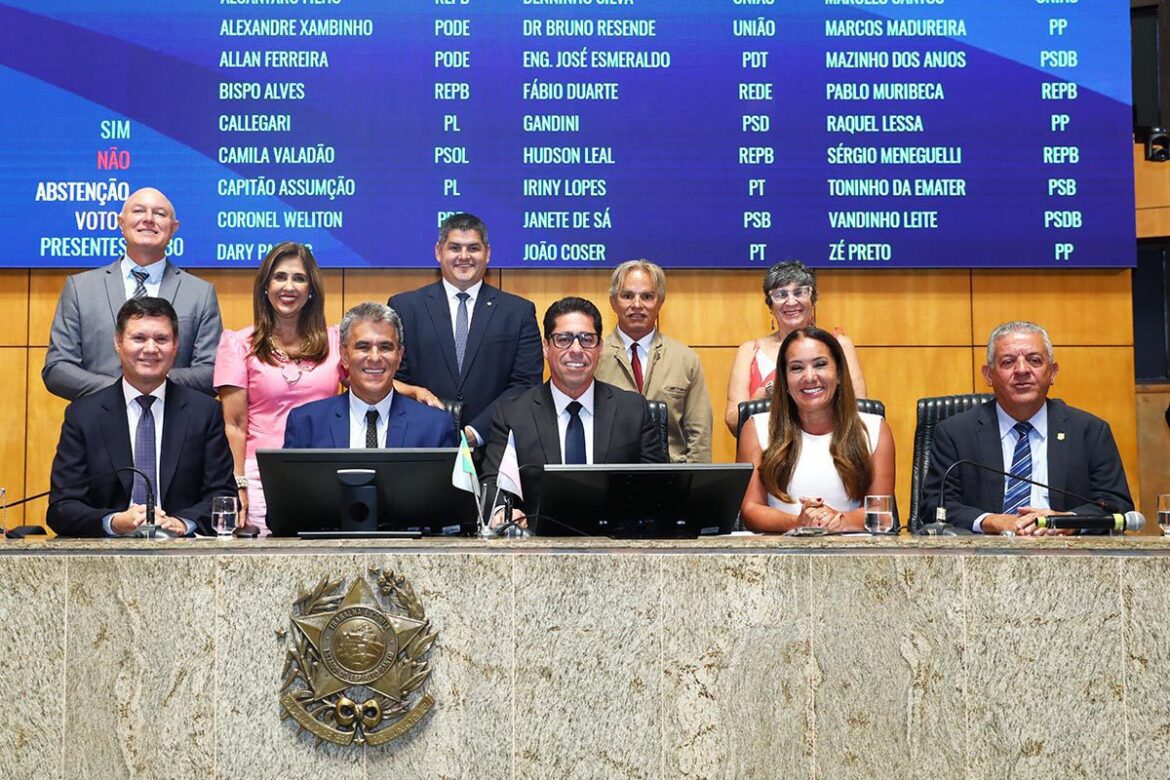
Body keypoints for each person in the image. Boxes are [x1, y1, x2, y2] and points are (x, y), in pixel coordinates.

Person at [921, 321, 1134, 535]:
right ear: (988, 375)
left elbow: (1117, 506)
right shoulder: (955, 433)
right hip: (984, 556)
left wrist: (1067, 522)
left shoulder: (1090, 432)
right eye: (1008, 362)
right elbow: (934, 506)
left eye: (1034, 360)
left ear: (1052, 372)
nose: (1022, 370)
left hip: (1068, 556)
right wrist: (992, 521)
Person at [47, 297, 235, 537]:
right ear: (117, 342)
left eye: (161, 339)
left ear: (175, 345)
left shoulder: (204, 412)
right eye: (139, 338)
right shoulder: (84, 415)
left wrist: (183, 523)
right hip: (105, 559)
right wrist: (112, 521)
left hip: (184, 554)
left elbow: (223, 497)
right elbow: (62, 507)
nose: (150, 349)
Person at [480, 297, 666, 517]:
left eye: (587, 339)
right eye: (564, 339)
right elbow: (492, 483)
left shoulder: (633, 410)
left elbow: (660, 488)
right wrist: (503, 511)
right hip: (537, 543)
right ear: (546, 347)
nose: (576, 349)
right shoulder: (513, 413)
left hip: (615, 542)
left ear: (600, 348)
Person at [43, 187, 222, 400]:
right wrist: (120, 391)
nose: (148, 219)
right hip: (97, 423)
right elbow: (57, 368)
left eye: (160, 214)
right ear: (121, 223)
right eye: (138, 211)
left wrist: (155, 385)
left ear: (174, 228)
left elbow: (212, 372)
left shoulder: (200, 294)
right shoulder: (80, 289)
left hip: (176, 426)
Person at [213, 243, 344, 533]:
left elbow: (368, 380)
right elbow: (234, 424)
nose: (289, 286)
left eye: (299, 278)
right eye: (280, 277)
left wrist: (412, 391)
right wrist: (239, 484)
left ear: (311, 289)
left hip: (323, 473)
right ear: (265, 286)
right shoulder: (238, 344)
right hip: (261, 476)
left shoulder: (335, 341)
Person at [388, 212, 542, 449]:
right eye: (455, 248)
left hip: (494, 447)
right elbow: (394, 378)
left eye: (473, 248)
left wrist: (476, 431)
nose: (464, 256)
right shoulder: (405, 308)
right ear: (439, 252)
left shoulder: (518, 312)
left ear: (487, 253)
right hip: (421, 444)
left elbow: (525, 384)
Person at [737, 327, 894, 533]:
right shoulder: (756, 428)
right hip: (777, 554)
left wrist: (837, 520)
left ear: (838, 374)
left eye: (820, 365)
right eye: (796, 368)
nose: (809, 377)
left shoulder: (875, 429)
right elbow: (751, 510)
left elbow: (880, 513)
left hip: (852, 555)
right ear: (784, 380)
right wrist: (799, 523)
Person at [284, 303, 456, 449]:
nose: (375, 358)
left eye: (385, 347)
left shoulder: (435, 426)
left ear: (399, 356)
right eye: (363, 347)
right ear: (344, 356)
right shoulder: (306, 424)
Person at [724, 260, 866, 435]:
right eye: (781, 295)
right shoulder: (749, 351)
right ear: (770, 306)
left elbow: (862, 412)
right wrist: (766, 393)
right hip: (766, 452)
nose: (791, 302)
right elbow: (733, 422)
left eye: (799, 292)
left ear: (812, 300)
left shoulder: (839, 345)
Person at [594, 260, 713, 463]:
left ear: (660, 302)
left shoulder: (685, 359)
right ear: (613, 301)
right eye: (627, 296)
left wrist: (692, 486)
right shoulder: (594, 358)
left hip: (672, 479)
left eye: (647, 296)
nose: (637, 305)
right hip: (610, 479)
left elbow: (699, 435)